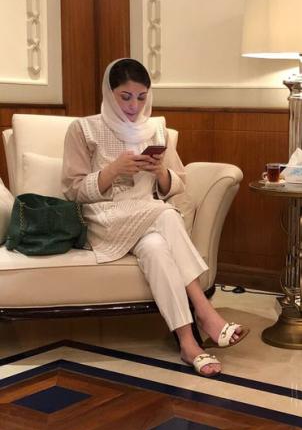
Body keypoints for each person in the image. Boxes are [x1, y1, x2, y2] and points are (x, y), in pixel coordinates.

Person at [62, 58, 249, 377]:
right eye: (125, 97)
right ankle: (206, 312)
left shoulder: (156, 130)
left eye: (141, 97)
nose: (134, 106)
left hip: (147, 219)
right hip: (104, 219)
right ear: (109, 93)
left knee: (156, 248)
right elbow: (72, 190)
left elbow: (177, 183)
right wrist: (112, 171)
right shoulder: (83, 129)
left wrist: (160, 172)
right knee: (165, 214)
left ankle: (188, 342)